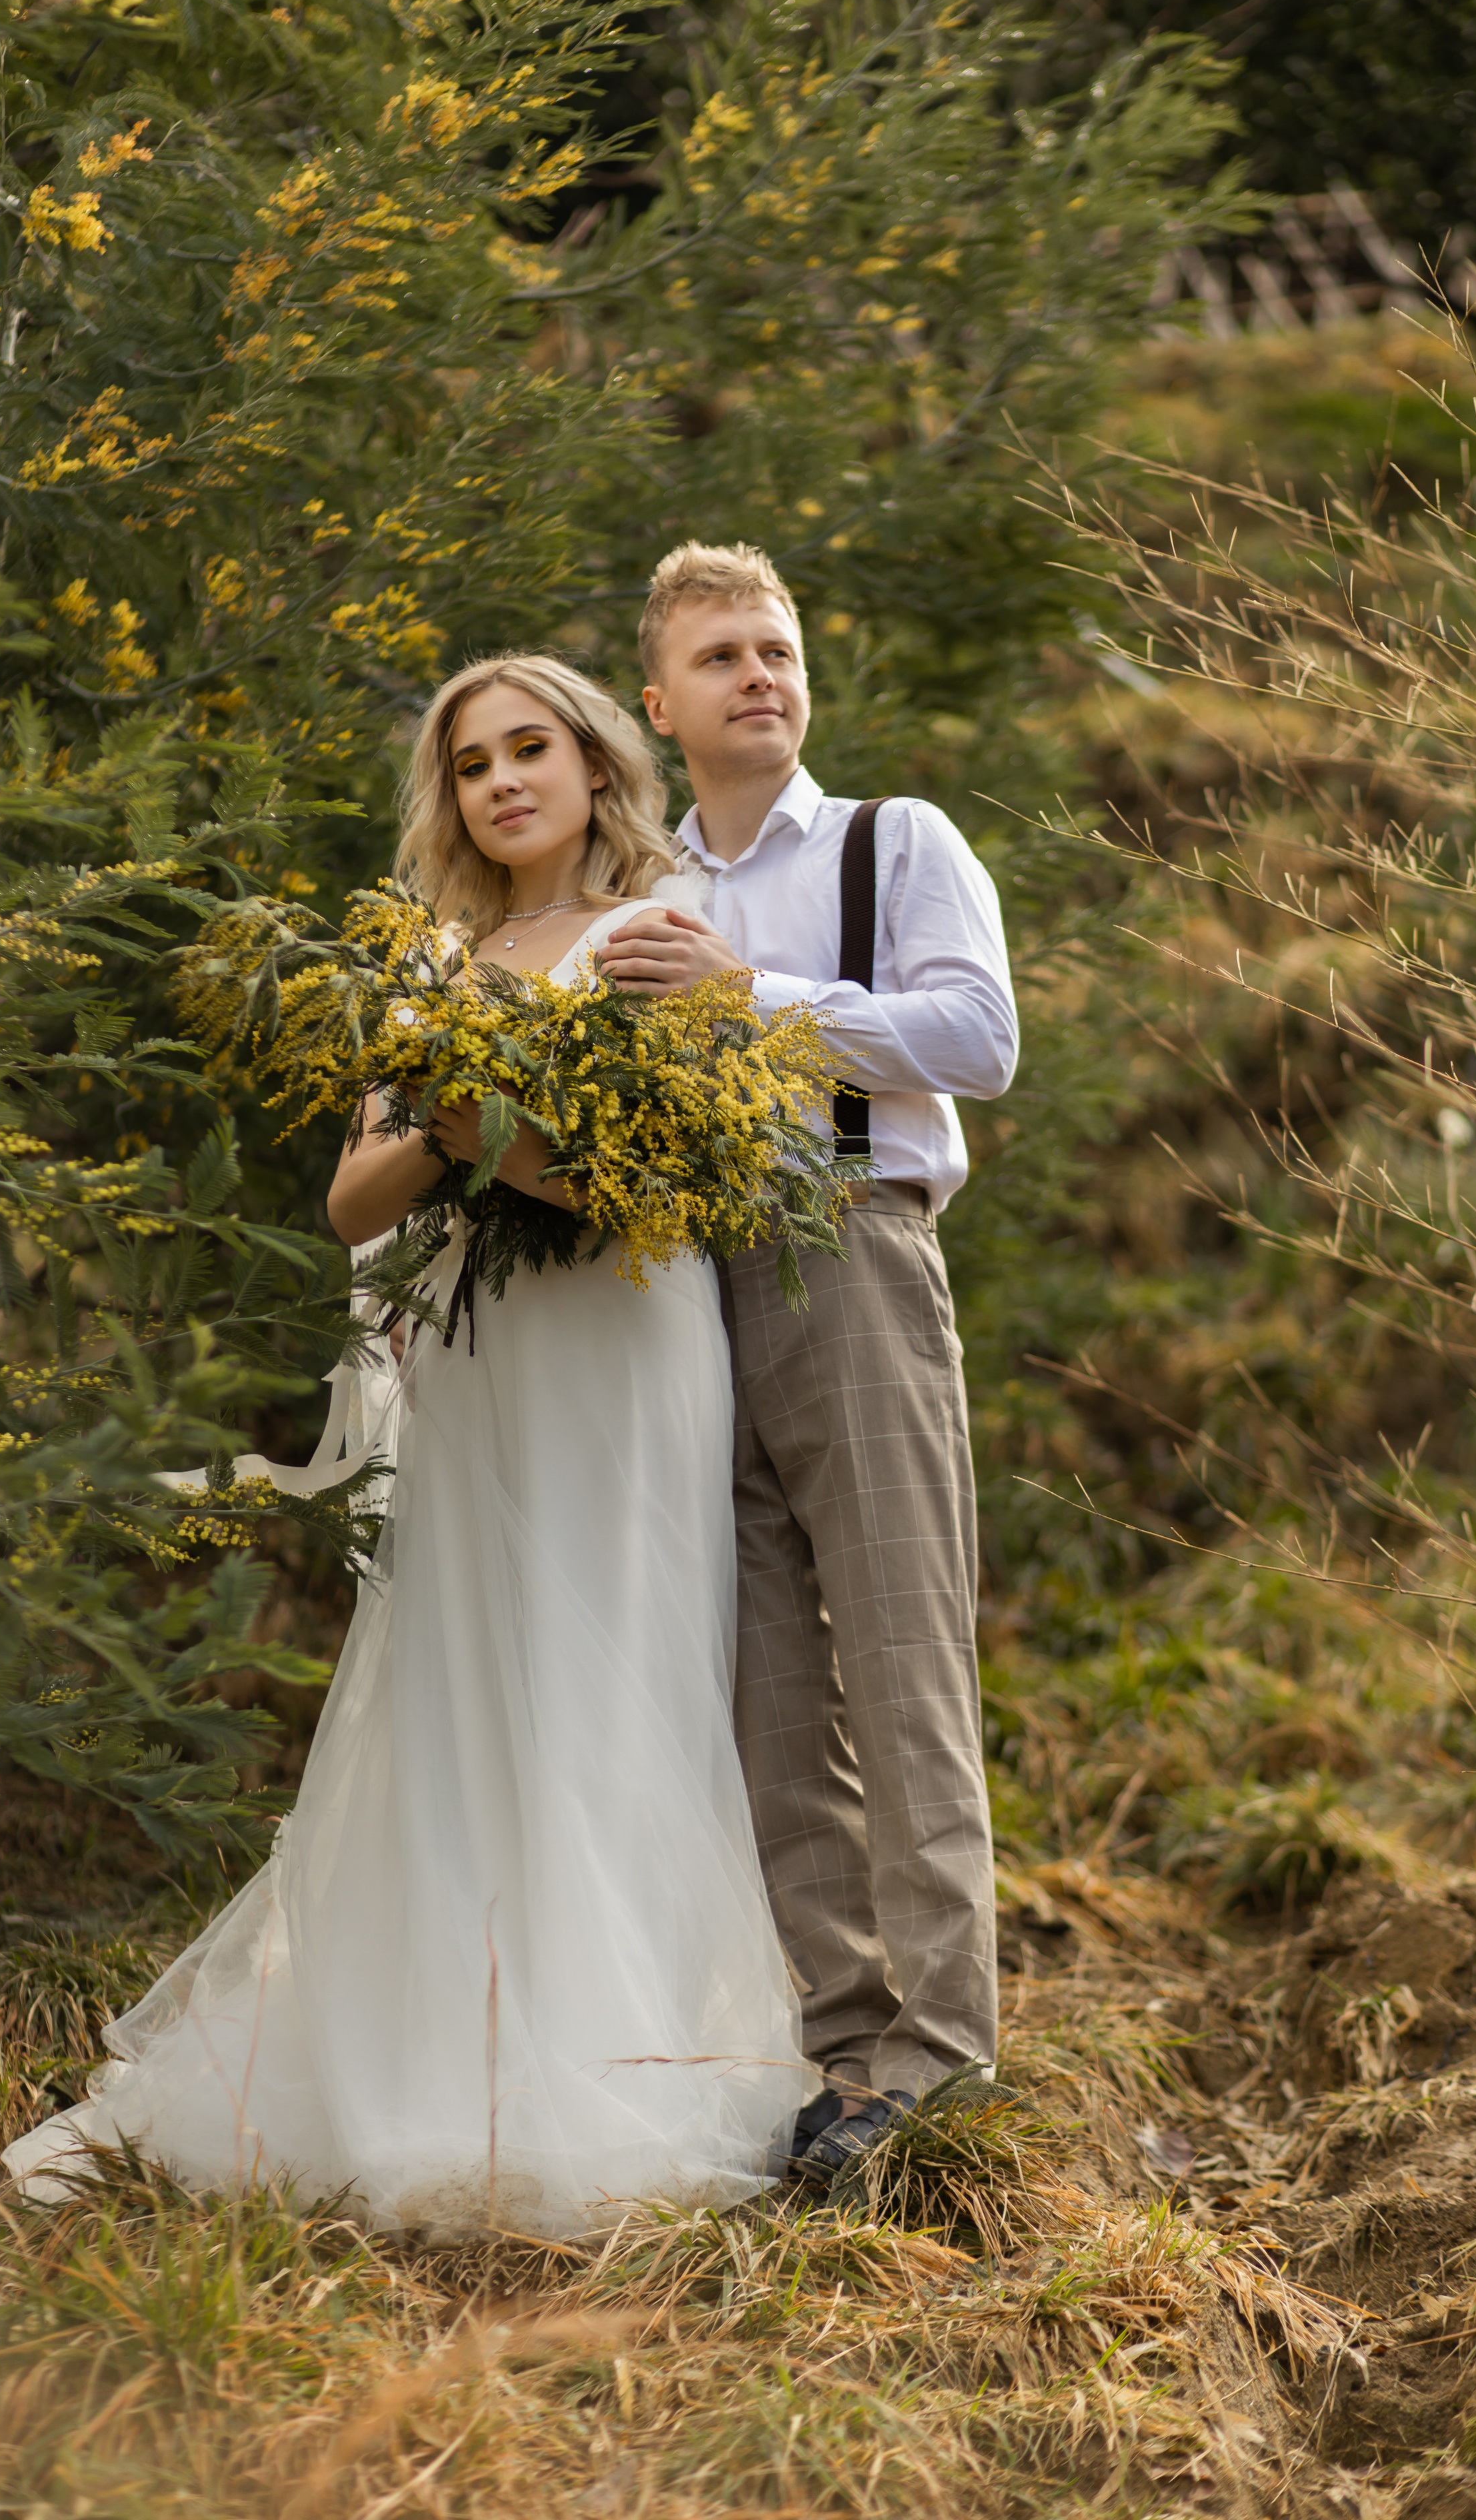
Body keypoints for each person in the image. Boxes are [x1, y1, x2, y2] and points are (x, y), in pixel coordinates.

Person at [2, 654, 809, 2238]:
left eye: (530, 749)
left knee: (616, 1664)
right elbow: (352, 1196)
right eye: (469, 765)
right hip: (479, 1352)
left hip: (625, 1344)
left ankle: (614, 2054)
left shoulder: (660, 934)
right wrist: (452, 1113)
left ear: (592, 763)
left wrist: (498, 1128)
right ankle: (441, 2042)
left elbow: (670, 1189)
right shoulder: (439, 962)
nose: (501, 782)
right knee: (464, 1666)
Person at [599, 541, 1018, 2188]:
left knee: (903, 1657)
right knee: (765, 1680)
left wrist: (752, 997)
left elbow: (979, 1040)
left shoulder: (890, 842)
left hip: (851, 1250)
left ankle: (946, 2053)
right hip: (681, 1288)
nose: (757, 674)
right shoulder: (641, 892)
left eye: (773, 649)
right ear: (658, 703)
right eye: (718, 658)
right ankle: (847, 2053)